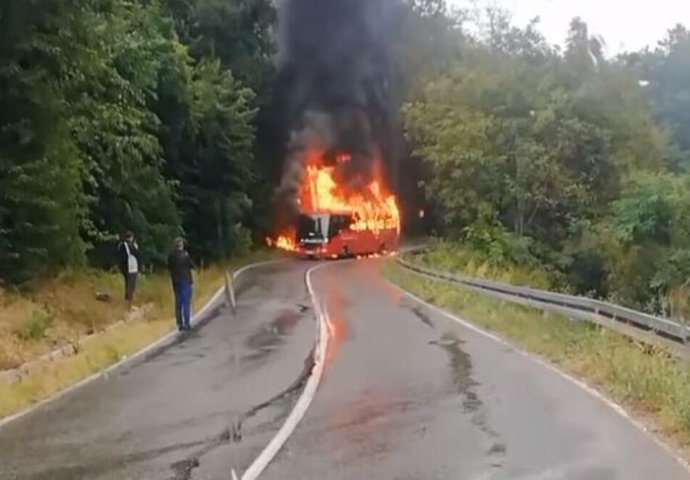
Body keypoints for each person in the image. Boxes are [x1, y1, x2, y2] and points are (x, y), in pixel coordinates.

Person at [167, 237, 195, 331]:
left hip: (176, 282)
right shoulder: (185, 256)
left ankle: (180, 323)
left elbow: (169, 267)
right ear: (181, 246)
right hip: (186, 280)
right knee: (186, 302)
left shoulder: (171, 257)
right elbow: (191, 265)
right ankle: (187, 323)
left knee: (178, 303)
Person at [117, 231, 139, 310]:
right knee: (131, 287)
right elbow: (137, 253)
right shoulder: (129, 245)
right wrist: (135, 246)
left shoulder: (121, 245)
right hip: (131, 267)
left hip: (125, 268)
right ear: (131, 238)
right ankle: (129, 305)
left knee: (128, 286)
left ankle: (127, 303)